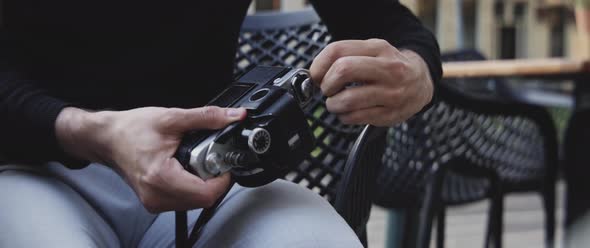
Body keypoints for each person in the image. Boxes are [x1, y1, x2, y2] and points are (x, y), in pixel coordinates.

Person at [0, 0, 442, 247]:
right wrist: (94, 132)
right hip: (33, 170)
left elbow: (392, 26)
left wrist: (416, 73)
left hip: (208, 178)